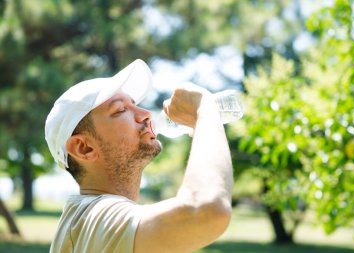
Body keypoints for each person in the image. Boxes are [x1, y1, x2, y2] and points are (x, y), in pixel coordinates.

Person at [45, 59, 233, 253]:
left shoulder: (90, 220)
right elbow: (206, 210)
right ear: (84, 148)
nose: (146, 114)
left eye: (135, 104)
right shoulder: (97, 218)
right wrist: (205, 110)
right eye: (121, 110)